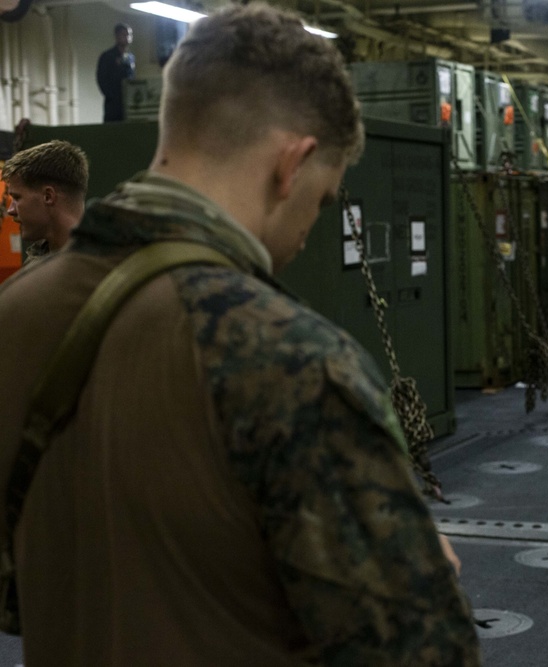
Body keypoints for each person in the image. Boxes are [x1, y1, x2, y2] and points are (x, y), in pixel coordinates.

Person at [0, 4, 480, 665]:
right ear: (292, 164)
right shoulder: (292, 358)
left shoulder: (16, 310)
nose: (310, 225)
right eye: (322, 198)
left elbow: (16, 593)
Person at [1, 139, 89, 265]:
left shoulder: (99, 266)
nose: (10, 210)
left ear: (48, 196)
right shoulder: (38, 259)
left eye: (17, 198)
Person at [96, 22, 136, 122]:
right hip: (113, 104)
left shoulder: (130, 57)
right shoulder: (108, 56)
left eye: (129, 35)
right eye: (124, 35)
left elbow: (131, 77)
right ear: (117, 36)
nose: (127, 37)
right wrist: (112, 96)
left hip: (128, 102)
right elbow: (101, 79)